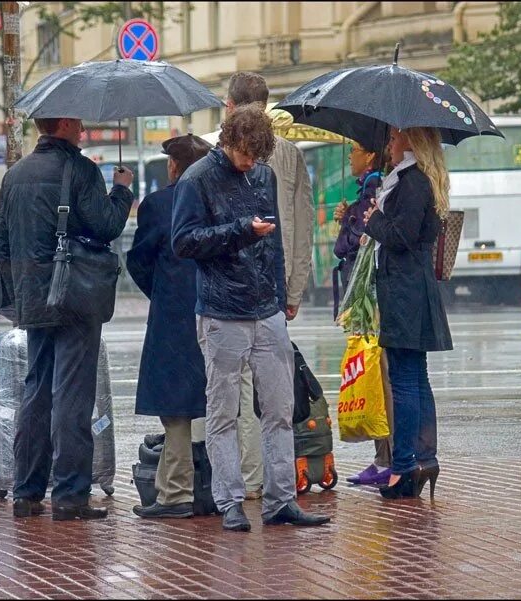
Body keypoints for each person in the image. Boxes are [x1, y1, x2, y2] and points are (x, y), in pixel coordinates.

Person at [172, 105, 330, 531]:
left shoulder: (264, 173)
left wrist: (279, 297)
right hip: (223, 312)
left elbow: (274, 241)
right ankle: (230, 502)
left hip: (265, 310)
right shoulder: (198, 177)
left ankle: (281, 500)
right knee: (224, 411)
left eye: (258, 157)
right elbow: (183, 242)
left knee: (280, 408)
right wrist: (240, 230)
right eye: (246, 155)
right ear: (230, 140)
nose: (251, 164)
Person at [0, 116, 134, 520]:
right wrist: (121, 191)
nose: (84, 130)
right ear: (64, 125)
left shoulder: (15, 175)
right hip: (75, 296)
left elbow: (1, 241)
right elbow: (106, 226)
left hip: (34, 298)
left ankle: (26, 490)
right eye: (78, 124)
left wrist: (16, 295)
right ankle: (71, 494)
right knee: (73, 394)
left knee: (37, 390)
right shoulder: (82, 170)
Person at [198, 72, 314, 501]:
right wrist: (295, 288)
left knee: (234, 397)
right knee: (274, 398)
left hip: (231, 296)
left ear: (230, 107)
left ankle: (248, 483)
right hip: (271, 292)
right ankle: (269, 484)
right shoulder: (288, 156)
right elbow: (300, 227)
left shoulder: (216, 153)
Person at [362, 126, 453, 499]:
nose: (389, 145)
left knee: (404, 378)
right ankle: (423, 459)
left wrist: (373, 220)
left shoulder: (412, 182)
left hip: (405, 289)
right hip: (411, 285)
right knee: (415, 376)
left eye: (395, 139)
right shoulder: (415, 180)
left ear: (412, 142)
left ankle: (403, 468)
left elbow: (401, 235)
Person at [126, 134, 213, 520]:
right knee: (223, 404)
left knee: (175, 408)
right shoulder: (217, 199)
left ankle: (176, 492)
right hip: (217, 307)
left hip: (174, 314)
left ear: (174, 167)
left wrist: (160, 290)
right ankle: (221, 487)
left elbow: (139, 260)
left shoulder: (159, 204)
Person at [332, 141, 393, 487]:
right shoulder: (366, 188)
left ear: (370, 155)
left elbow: (363, 238)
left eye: (356, 150)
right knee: (375, 374)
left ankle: (386, 456)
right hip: (365, 290)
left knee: (377, 375)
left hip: (368, 292)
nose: (352, 156)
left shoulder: (374, 186)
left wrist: (352, 219)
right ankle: (383, 455)